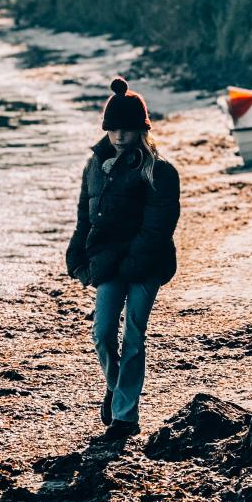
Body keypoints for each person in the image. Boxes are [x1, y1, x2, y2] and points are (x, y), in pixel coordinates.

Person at [65, 77, 181, 440]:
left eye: (127, 130)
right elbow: (86, 215)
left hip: (148, 264)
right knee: (101, 334)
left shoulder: (159, 171)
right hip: (107, 262)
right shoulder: (95, 167)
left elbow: (159, 226)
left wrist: (133, 263)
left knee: (133, 335)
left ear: (141, 130)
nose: (119, 136)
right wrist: (77, 255)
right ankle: (116, 388)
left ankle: (125, 416)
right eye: (113, 129)